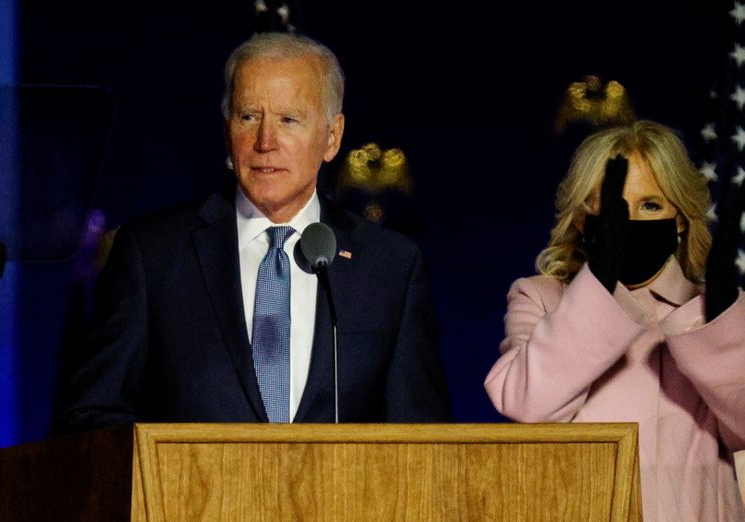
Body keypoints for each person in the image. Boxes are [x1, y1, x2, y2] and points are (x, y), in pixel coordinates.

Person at [53, 32, 450, 433]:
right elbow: (91, 418)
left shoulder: (391, 267)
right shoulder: (152, 254)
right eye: (248, 116)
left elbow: (422, 440)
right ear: (227, 131)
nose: (265, 142)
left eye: (288, 120)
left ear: (332, 137)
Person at [484, 120, 745, 521]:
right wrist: (601, 283)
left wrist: (721, 327)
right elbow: (524, 405)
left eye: (651, 205)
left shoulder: (710, 313)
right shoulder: (540, 296)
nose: (631, 222)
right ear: (583, 215)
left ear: (678, 217)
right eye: (614, 207)